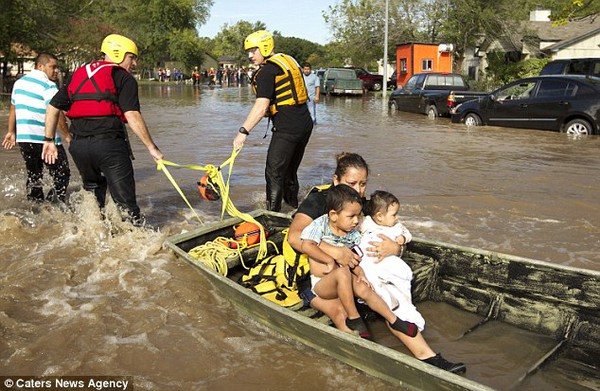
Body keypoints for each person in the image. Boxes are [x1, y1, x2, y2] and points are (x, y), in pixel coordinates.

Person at [288, 152, 465, 373]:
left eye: (363, 184)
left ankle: (428, 357)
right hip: (319, 275)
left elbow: (391, 226)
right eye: (351, 183)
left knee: (388, 297)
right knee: (341, 312)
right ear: (335, 180)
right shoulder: (318, 201)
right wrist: (336, 252)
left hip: (354, 271)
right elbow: (295, 237)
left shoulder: (360, 205)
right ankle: (367, 362)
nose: (358, 190)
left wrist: (396, 247)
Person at [42, 34, 163, 225]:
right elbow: (131, 115)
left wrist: (48, 141)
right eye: (132, 57)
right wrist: (152, 147)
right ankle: (135, 247)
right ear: (118, 54)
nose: (134, 63)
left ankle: (94, 236)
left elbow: (52, 107)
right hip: (109, 146)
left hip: (79, 147)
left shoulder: (78, 74)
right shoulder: (124, 78)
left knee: (93, 196)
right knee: (126, 206)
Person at [300, 184, 423, 340]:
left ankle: (395, 320)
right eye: (351, 216)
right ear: (333, 215)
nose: (356, 221)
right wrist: (329, 260)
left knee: (364, 288)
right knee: (343, 272)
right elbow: (306, 245)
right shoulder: (320, 225)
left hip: (344, 280)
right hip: (322, 285)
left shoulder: (352, 235)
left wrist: (361, 274)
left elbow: (355, 260)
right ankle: (354, 318)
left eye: (358, 216)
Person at [233, 30, 313, 212]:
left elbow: (261, 108)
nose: (250, 55)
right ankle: (293, 208)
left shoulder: (267, 71)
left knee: (274, 172)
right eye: (248, 51)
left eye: (253, 50)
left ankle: (272, 217)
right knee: (289, 172)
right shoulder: (288, 60)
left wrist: (242, 132)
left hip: (287, 128)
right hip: (305, 124)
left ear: (265, 47)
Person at [2, 53, 71, 203]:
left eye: (57, 67)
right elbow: (56, 112)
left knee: (34, 175)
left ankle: (35, 208)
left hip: (25, 139)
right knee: (62, 174)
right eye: (53, 67)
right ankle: (54, 208)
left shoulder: (19, 83)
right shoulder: (48, 84)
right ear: (40, 66)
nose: (56, 71)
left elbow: (13, 108)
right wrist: (67, 136)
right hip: (46, 139)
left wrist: (11, 131)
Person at [359, 190, 425, 338]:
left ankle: (405, 305)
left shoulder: (397, 226)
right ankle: (383, 295)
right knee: (372, 274)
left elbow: (408, 234)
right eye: (394, 214)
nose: (397, 218)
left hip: (388, 259)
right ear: (380, 217)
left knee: (404, 273)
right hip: (371, 258)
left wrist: (402, 239)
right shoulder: (366, 222)